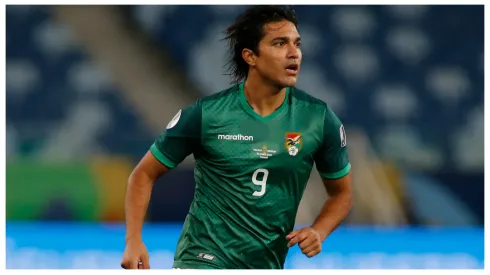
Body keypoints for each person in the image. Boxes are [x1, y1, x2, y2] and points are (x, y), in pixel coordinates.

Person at [121, 5, 353, 270]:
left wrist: (319, 230)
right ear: (250, 56)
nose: (294, 53)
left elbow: (342, 194)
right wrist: (133, 240)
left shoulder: (318, 119)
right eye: (279, 43)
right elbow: (143, 174)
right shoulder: (206, 114)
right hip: (202, 259)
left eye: (296, 44)